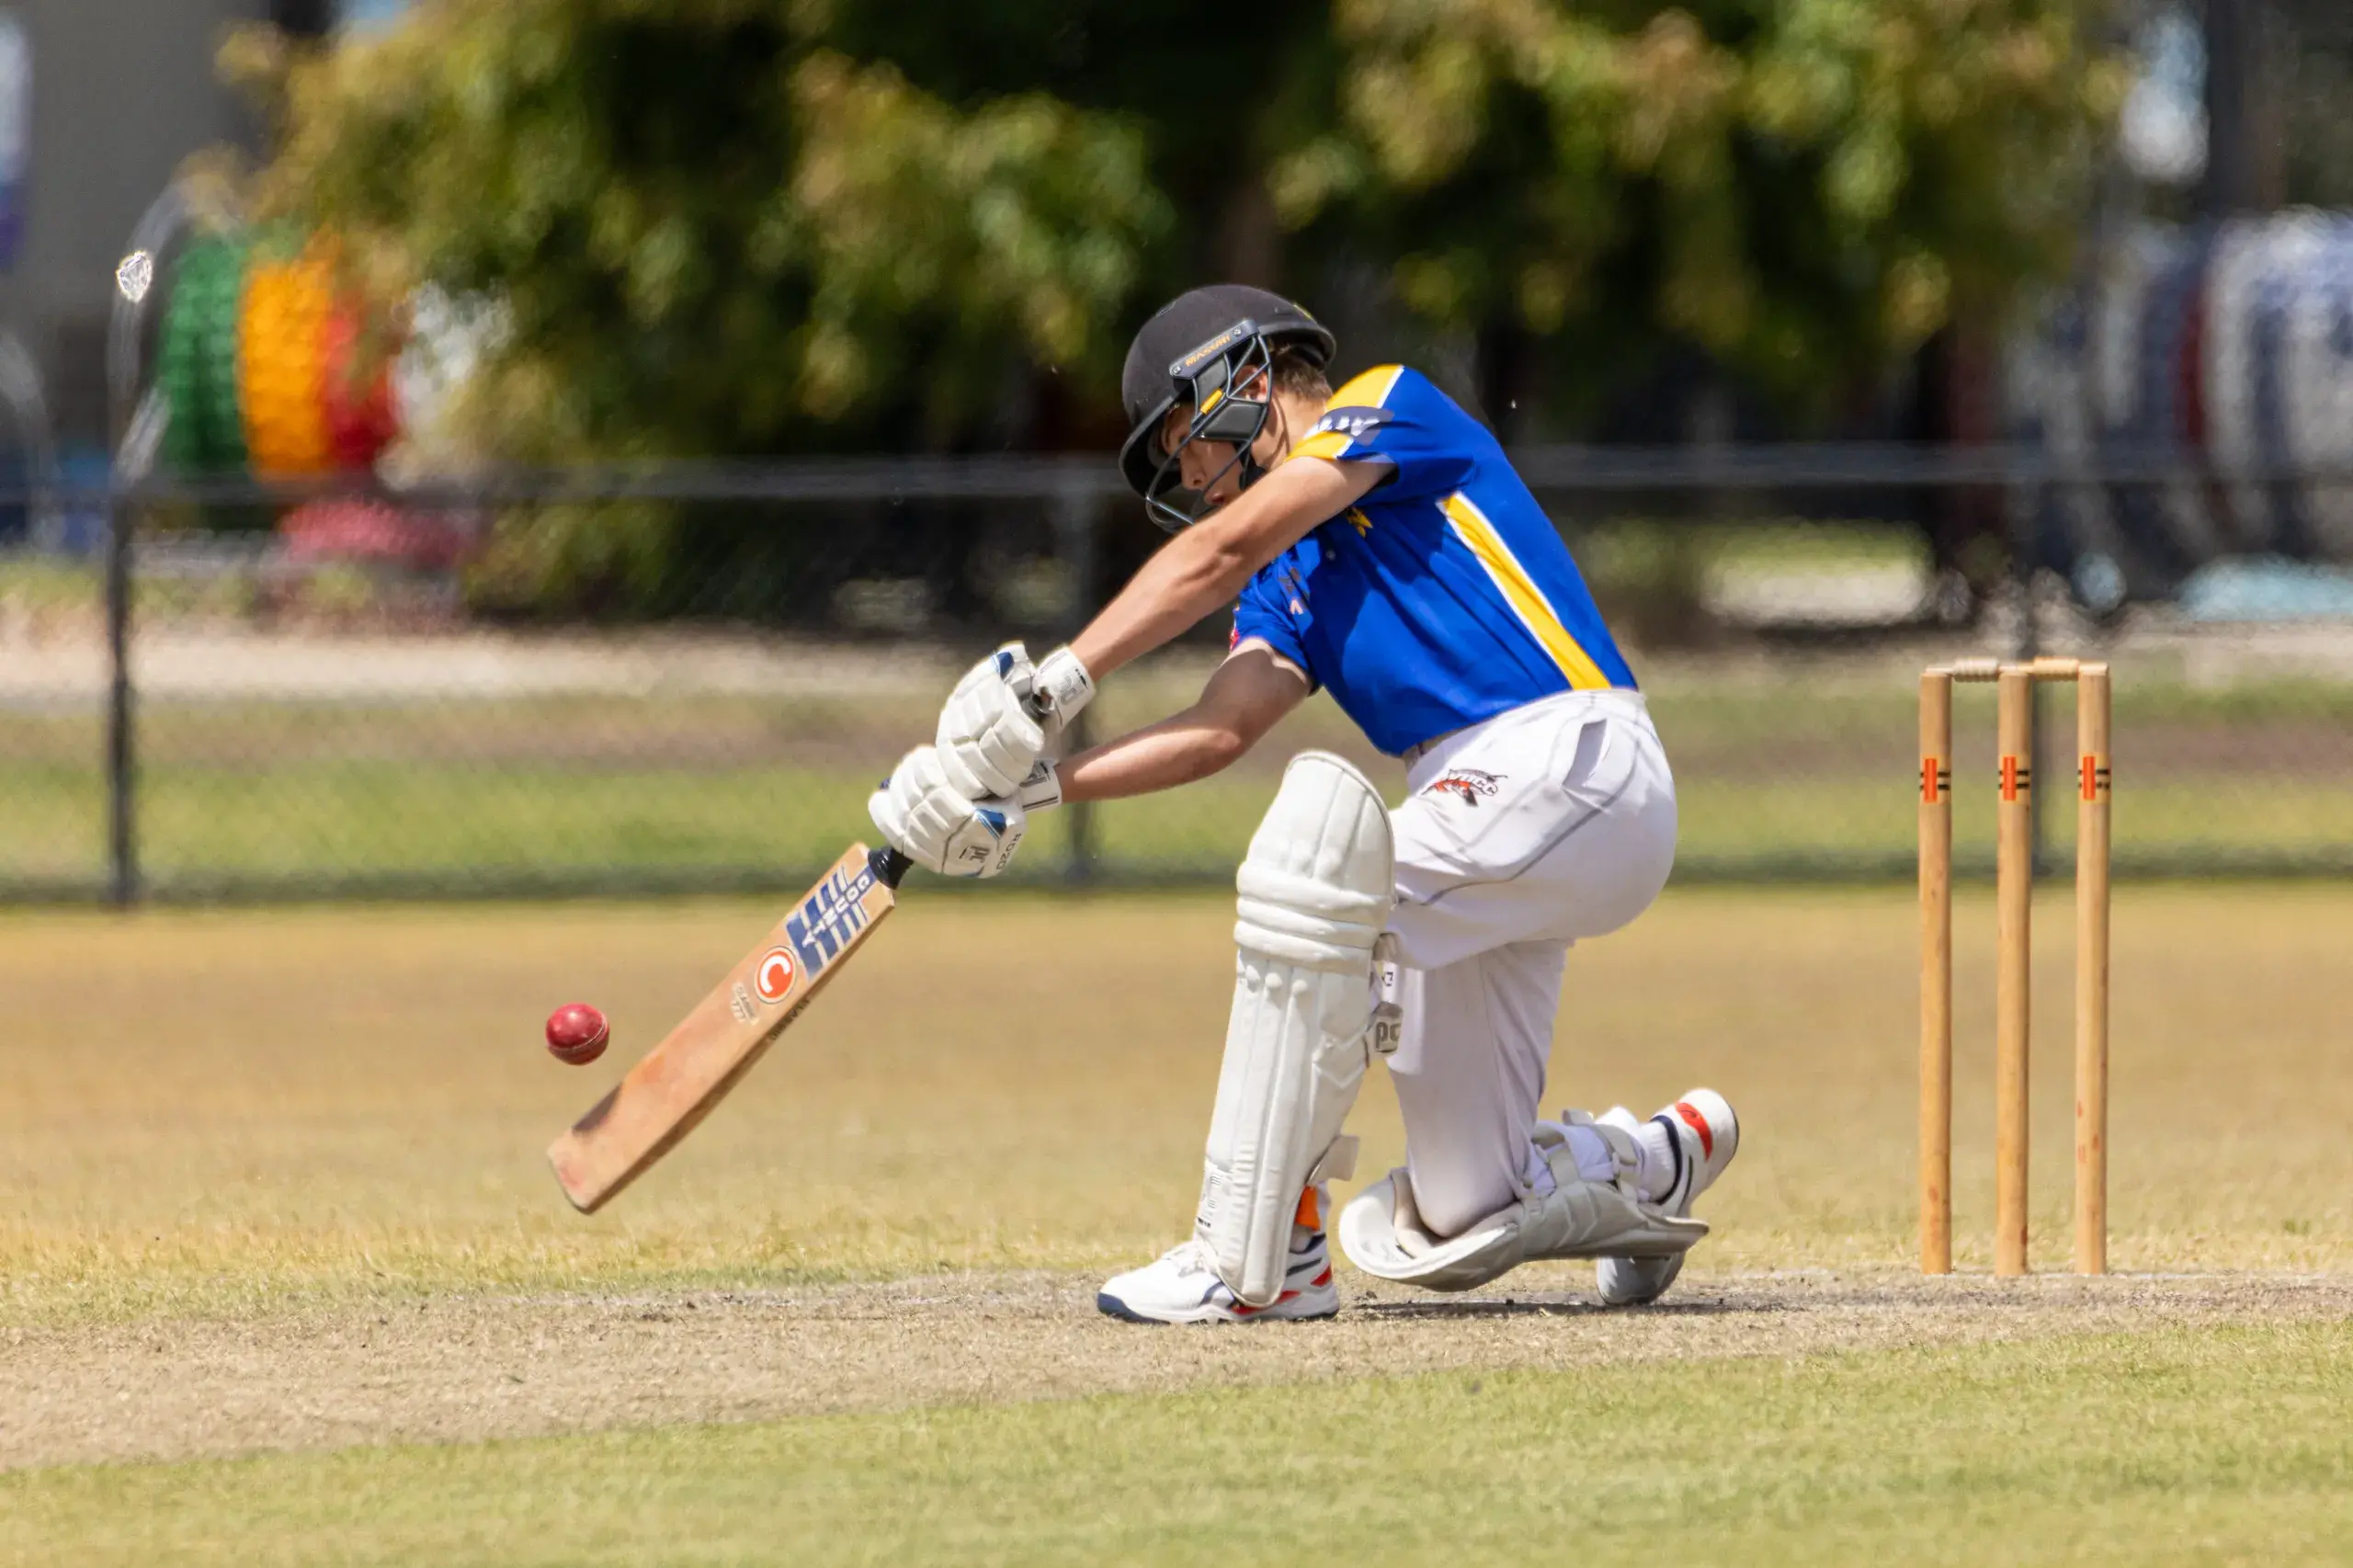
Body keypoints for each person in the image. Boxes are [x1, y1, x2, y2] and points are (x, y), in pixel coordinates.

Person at [869, 284, 1739, 1323]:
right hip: (1492, 817)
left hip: (1574, 757)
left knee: (1313, 884)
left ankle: (1259, 1253)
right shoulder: (1290, 570)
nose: (1187, 474)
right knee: (1465, 1203)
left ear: (1240, 376)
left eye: (1182, 439)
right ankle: (1653, 1155)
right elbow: (1220, 727)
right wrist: (1034, 787)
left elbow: (1212, 555)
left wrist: (1050, 687)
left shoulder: (1388, 403)